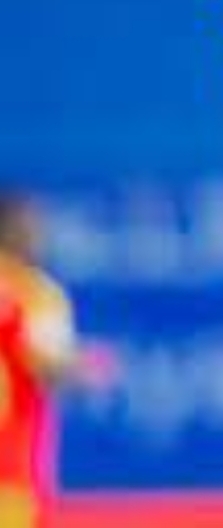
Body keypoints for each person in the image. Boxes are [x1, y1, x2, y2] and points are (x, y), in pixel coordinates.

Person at [0, 192, 78, 528]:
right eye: (28, 226)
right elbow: (48, 366)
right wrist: (77, 367)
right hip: (10, 472)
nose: (37, 235)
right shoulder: (34, 295)